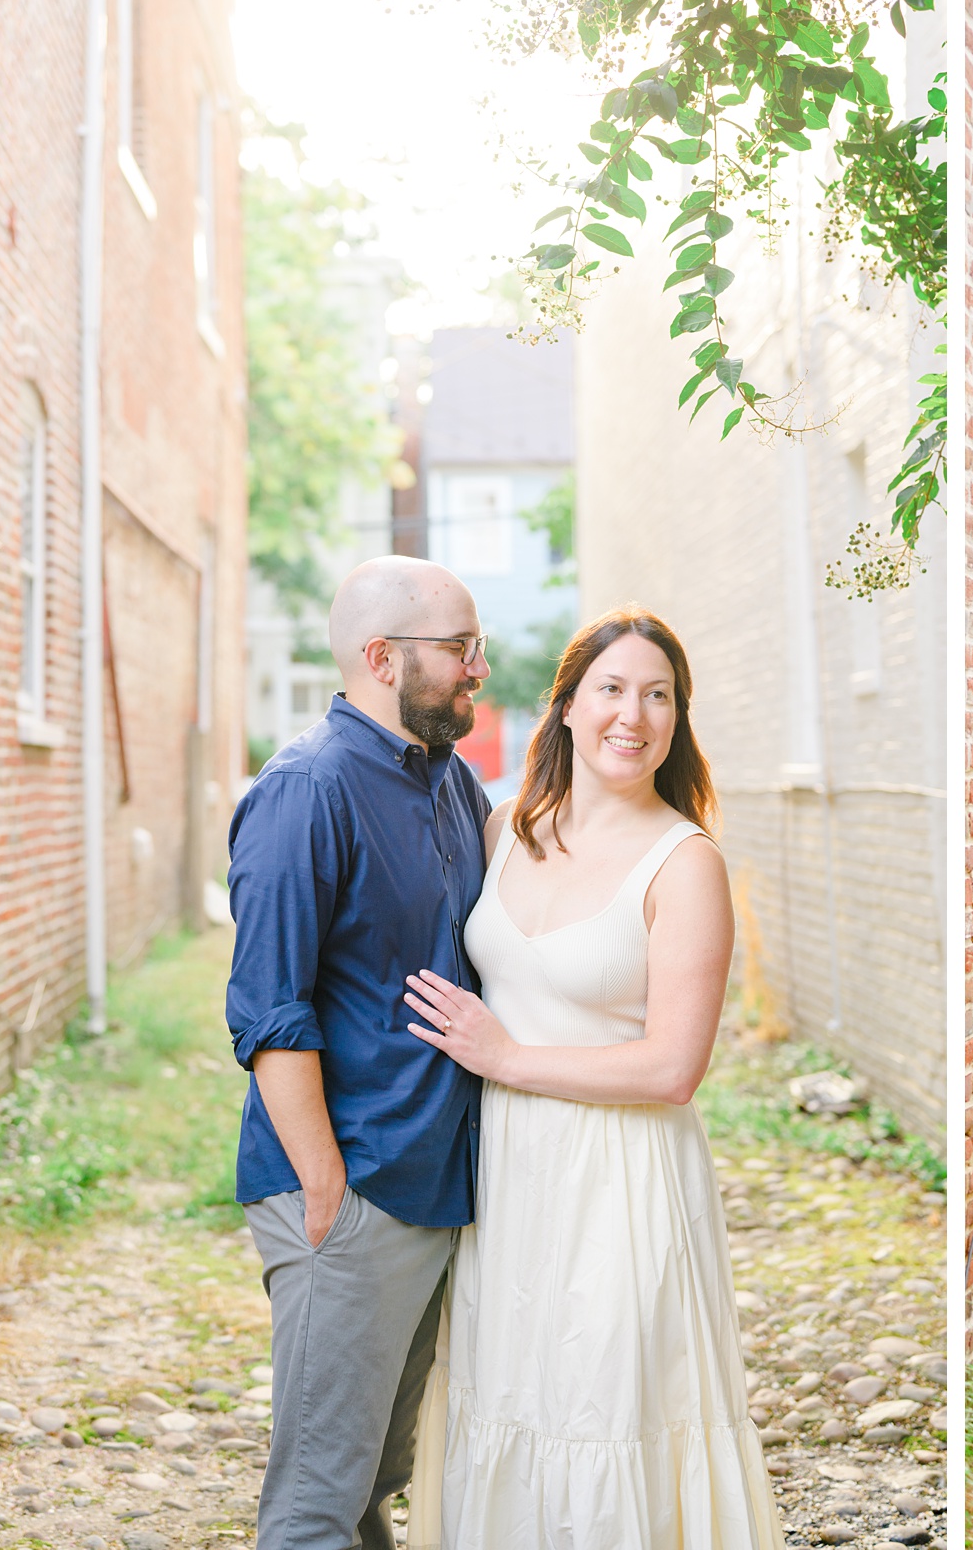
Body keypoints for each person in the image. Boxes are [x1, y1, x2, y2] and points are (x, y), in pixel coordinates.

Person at [399, 607, 782, 1549]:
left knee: (610, 1405)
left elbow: (673, 1067)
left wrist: (507, 1058)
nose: (634, 715)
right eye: (612, 689)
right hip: (512, 1173)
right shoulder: (504, 829)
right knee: (514, 1392)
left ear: (677, 720)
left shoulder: (684, 863)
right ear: (566, 706)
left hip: (623, 1174)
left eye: (659, 696)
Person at [224, 556, 494, 1550]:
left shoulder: (455, 783)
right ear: (383, 658)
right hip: (348, 1188)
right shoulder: (305, 792)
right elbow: (268, 1010)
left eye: (478, 646)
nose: (478, 668)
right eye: (461, 648)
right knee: (315, 1502)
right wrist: (324, 1184)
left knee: (375, 1475)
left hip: (430, 1187)